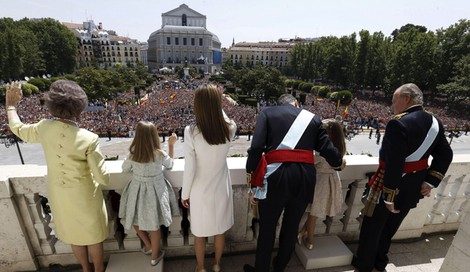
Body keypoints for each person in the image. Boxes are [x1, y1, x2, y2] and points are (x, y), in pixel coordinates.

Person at [6, 80, 109, 272]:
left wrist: (11, 106)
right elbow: (103, 178)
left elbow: (18, 128)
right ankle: (98, 270)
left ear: (52, 105)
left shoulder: (45, 127)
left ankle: (85, 270)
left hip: (60, 196)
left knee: (75, 236)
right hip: (85, 196)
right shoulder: (89, 138)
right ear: (80, 107)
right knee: (93, 237)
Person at [352, 83, 453, 272]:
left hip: (390, 185)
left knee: (372, 226)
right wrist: (430, 181)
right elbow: (446, 155)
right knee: (391, 228)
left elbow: (395, 163)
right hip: (414, 186)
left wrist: (389, 195)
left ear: (406, 98)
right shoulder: (435, 122)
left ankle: (364, 264)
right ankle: (380, 262)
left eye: (394, 100)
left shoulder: (398, 122)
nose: (392, 105)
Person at [244, 94, 344, 272]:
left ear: (279, 104)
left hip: (275, 179)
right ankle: (279, 267)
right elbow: (334, 157)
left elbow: (256, 149)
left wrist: (252, 179)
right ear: (296, 104)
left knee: (267, 230)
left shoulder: (267, 114)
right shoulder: (313, 118)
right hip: (304, 179)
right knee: (291, 229)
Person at [181, 84, 237, 272]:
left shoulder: (191, 131)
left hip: (199, 189)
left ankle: (200, 267)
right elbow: (224, 118)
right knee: (219, 230)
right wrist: (215, 103)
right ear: (218, 103)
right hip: (221, 187)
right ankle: (217, 264)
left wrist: (185, 194)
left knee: (199, 233)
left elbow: (190, 168)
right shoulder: (231, 128)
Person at [119, 121, 179, 266]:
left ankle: (149, 245)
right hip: (156, 190)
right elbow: (170, 165)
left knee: (133, 219)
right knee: (155, 225)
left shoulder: (133, 154)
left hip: (137, 190)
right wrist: (171, 146)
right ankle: (154, 255)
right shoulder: (159, 154)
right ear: (154, 136)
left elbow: (125, 169)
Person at [297, 118, 347, 249]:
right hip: (331, 181)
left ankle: (310, 239)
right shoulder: (339, 147)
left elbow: (309, 160)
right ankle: (302, 232)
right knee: (316, 212)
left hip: (320, 182)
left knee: (314, 213)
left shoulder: (322, 149)